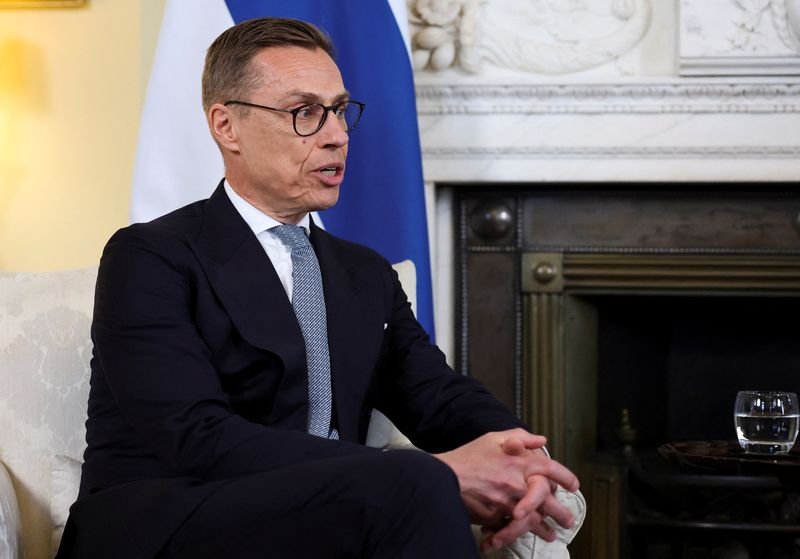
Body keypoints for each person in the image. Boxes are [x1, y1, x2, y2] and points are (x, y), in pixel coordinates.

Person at [56, 17, 579, 559]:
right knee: (418, 482)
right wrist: (441, 472)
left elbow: (437, 394)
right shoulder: (149, 256)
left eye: (339, 110)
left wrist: (519, 456)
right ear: (226, 126)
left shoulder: (365, 273)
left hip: (328, 512)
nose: (337, 136)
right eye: (305, 112)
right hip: (165, 521)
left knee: (417, 485)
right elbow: (195, 436)